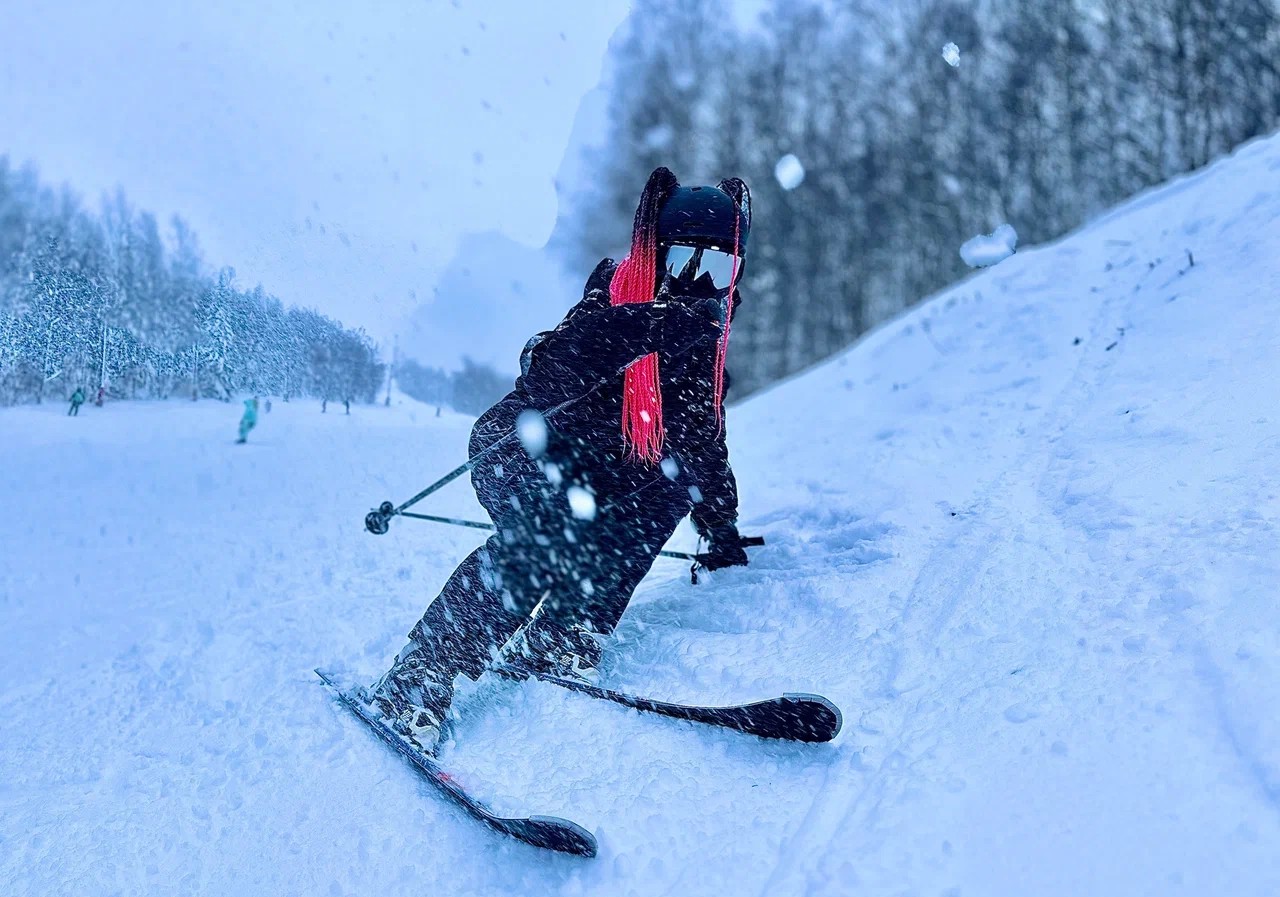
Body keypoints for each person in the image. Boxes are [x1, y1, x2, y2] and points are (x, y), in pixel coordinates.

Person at [367, 168, 755, 752]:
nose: (697, 282)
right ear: (654, 256)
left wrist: (721, 528)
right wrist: (648, 326)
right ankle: (418, 679)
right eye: (681, 262)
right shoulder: (613, 292)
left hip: (597, 474)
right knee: (551, 530)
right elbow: (553, 369)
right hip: (521, 449)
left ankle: (567, 629)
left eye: (717, 269)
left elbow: (702, 446)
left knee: (669, 485)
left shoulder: (704, 346)